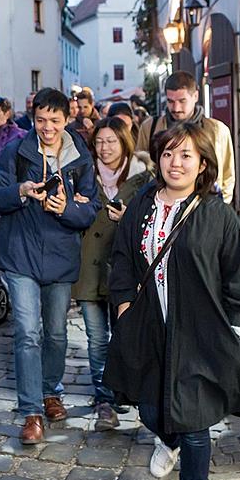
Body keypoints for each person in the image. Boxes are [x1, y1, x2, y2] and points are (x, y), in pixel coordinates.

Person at [104, 122, 240, 480]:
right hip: (149, 324)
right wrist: (123, 305)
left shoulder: (215, 214)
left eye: (186, 155)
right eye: (169, 153)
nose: (176, 162)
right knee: (150, 408)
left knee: (194, 421)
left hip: (199, 329)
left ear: (203, 163)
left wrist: (237, 322)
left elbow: (237, 272)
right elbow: (120, 258)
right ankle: (164, 438)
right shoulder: (141, 205)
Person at [0, 88, 99, 445]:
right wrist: (20, 190)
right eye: (40, 120)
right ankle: (31, 410)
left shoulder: (79, 157)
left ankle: (51, 391)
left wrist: (65, 208)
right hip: (20, 255)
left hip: (61, 258)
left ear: (67, 119)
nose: (47, 128)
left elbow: (90, 210)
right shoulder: (16, 151)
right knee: (28, 333)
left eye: (54, 120)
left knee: (57, 334)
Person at [72, 117, 152, 431]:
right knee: (96, 339)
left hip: (125, 270)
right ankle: (104, 398)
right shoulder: (82, 174)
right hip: (90, 267)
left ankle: (125, 390)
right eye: (100, 142)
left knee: (126, 334)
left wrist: (128, 218)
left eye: (112, 141)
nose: (105, 148)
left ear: (124, 142)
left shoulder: (143, 178)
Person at [136, 71, 234, 203]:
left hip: (205, 208)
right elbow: (138, 173)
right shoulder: (149, 127)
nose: (176, 108)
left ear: (195, 96)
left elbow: (227, 176)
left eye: (182, 101)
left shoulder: (217, 130)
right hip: (160, 207)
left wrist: (220, 207)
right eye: (170, 101)